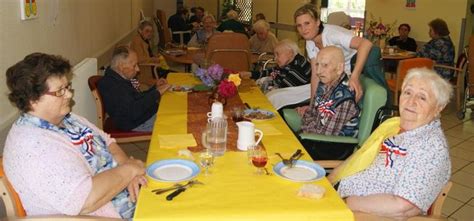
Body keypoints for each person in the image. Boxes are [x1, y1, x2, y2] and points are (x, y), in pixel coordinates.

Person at [4, 53, 146, 219]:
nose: (69, 95)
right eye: (60, 91)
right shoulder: (32, 146)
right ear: (32, 99)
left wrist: (130, 173)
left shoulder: (67, 118)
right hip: (105, 214)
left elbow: (108, 142)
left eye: (68, 87)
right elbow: (85, 200)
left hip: (125, 192)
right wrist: (129, 170)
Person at [329, 68, 452, 220]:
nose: (411, 102)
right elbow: (360, 157)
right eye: (407, 92)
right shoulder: (394, 126)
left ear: (438, 108)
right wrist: (328, 181)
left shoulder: (431, 148)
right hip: (337, 195)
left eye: (422, 97)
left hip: (358, 213)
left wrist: (346, 203)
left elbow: (403, 208)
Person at [294, 4, 375, 103]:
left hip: (357, 68)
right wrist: (312, 105)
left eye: (307, 23)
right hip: (338, 74)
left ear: (317, 22)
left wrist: (355, 77)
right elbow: (315, 75)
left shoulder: (332, 34)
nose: (303, 29)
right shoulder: (310, 41)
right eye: (299, 25)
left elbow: (366, 43)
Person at [98, 45, 170, 132]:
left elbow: (137, 98)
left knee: (174, 112)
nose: (138, 69)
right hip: (137, 123)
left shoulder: (118, 78)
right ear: (121, 67)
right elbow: (133, 111)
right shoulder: (113, 86)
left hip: (142, 117)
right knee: (176, 123)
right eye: (134, 65)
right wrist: (156, 93)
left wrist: (155, 88)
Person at [298, 46, 359, 137]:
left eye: (325, 65)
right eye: (317, 65)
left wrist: (306, 126)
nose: (318, 71)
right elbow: (310, 112)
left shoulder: (344, 98)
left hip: (330, 146)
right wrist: (309, 123)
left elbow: (326, 135)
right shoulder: (324, 82)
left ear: (339, 68)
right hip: (311, 136)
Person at [240, 39, 310, 90]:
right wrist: (250, 74)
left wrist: (265, 83)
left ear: (290, 53)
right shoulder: (287, 62)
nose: (275, 58)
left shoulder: (299, 65)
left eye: (277, 54)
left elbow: (283, 88)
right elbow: (271, 72)